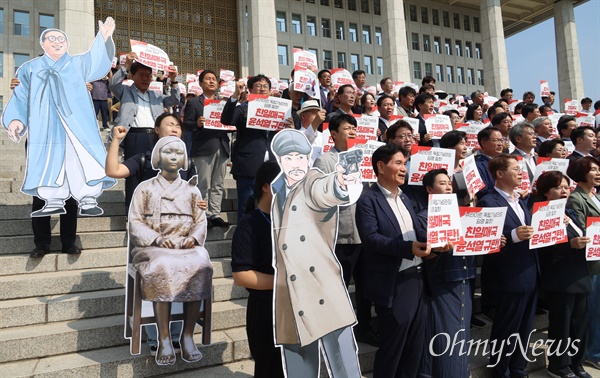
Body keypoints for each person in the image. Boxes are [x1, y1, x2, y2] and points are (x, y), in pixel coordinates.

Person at [270, 129, 362, 377]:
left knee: (343, 362)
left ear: (308, 158)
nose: (296, 163)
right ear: (279, 160)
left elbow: (326, 190)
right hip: (289, 287)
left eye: (300, 157)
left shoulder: (312, 181)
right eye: (288, 158)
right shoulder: (277, 190)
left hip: (321, 283)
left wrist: (341, 182)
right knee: (298, 361)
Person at [3, 22, 117, 217]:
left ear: (67, 43)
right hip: (45, 126)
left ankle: (88, 199)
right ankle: (53, 200)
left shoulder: (78, 64)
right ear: (43, 44)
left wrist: (104, 38)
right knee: (48, 162)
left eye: (61, 39)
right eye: (52, 39)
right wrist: (15, 120)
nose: (57, 42)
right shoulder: (29, 69)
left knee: (81, 160)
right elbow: (21, 95)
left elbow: (96, 62)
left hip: (75, 124)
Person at [128, 136, 213, 366]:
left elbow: (200, 221)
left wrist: (193, 238)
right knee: (163, 265)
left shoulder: (192, 190)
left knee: (202, 264)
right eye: (168, 152)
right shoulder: (144, 189)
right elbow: (135, 222)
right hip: (153, 247)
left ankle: (187, 335)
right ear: (158, 157)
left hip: (185, 246)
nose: (174, 157)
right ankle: (164, 337)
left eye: (178, 152)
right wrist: (157, 238)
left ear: (185, 158)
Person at [356, 143, 433, 377]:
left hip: (418, 279)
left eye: (405, 164)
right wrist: (408, 248)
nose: (404, 169)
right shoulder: (368, 200)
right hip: (394, 283)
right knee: (393, 348)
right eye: (398, 163)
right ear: (380, 166)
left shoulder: (405, 198)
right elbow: (371, 239)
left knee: (414, 347)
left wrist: (436, 244)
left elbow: (415, 233)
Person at [314, 114, 376, 346]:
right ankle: (333, 330)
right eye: (347, 129)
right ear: (333, 134)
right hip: (341, 234)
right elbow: (320, 196)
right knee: (338, 286)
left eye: (354, 129)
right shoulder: (325, 161)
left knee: (365, 287)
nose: (352, 132)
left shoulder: (365, 158)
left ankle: (364, 327)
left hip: (366, 233)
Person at [478, 154, 538, 378]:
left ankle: (518, 368)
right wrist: (513, 235)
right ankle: (500, 370)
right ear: (500, 174)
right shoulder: (488, 201)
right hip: (508, 276)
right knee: (506, 329)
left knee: (525, 328)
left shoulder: (521, 200)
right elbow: (485, 239)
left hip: (530, 272)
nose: (520, 173)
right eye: (515, 169)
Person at [418, 169, 478, 378]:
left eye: (449, 183)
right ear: (429, 189)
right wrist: (436, 248)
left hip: (465, 277)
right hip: (442, 281)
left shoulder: (463, 215)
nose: (448, 186)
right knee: (445, 333)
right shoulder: (423, 217)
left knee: (461, 332)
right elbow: (423, 251)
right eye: (442, 183)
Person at [536, 171, 593, 378]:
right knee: (562, 325)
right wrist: (569, 245)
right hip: (559, 277)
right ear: (545, 191)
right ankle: (559, 365)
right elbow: (541, 247)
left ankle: (577, 363)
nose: (564, 191)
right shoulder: (541, 213)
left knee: (580, 324)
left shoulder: (572, 212)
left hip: (580, 274)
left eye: (566, 187)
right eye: (558, 187)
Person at [231, 161, 284, 378]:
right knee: (269, 368)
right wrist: (283, 281)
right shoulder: (249, 224)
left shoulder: (292, 220)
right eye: (284, 182)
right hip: (265, 311)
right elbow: (241, 276)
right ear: (266, 186)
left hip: (294, 306)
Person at [220, 74, 276, 221]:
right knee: (245, 208)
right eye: (258, 86)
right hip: (249, 166)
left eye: (266, 86)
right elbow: (226, 120)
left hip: (271, 166)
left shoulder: (278, 110)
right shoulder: (243, 109)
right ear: (250, 89)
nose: (262, 89)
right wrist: (235, 97)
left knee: (271, 209)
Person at [109, 51, 180, 160]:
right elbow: (113, 84)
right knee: (132, 170)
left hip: (155, 136)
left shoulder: (157, 95)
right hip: (134, 136)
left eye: (148, 76)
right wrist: (126, 66)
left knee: (154, 170)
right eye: (141, 75)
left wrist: (174, 80)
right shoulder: (125, 92)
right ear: (132, 76)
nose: (145, 79)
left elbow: (175, 99)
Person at [183, 69, 231, 228]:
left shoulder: (223, 103)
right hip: (203, 148)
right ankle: (201, 214)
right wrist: (197, 123)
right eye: (208, 79)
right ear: (201, 83)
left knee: (218, 184)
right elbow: (186, 125)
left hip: (222, 146)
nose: (211, 82)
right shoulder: (193, 103)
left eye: (214, 79)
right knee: (203, 183)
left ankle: (214, 214)